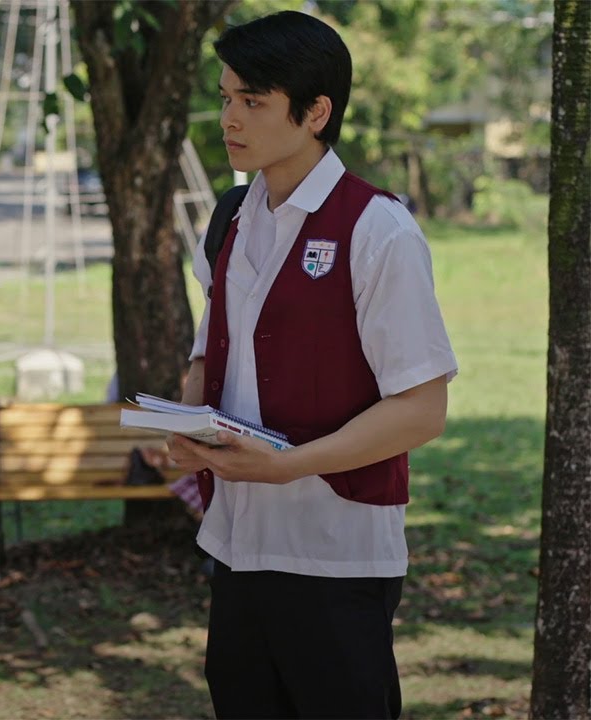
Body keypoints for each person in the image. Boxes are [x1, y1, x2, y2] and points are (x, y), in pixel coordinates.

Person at [163, 11, 458, 719]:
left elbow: (422, 410)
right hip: (237, 545)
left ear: (316, 112)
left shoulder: (378, 229)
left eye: (252, 101)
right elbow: (211, 354)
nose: (229, 118)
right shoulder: (230, 217)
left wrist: (288, 465)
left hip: (336, 554)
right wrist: (186, 427)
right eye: (226, 97)